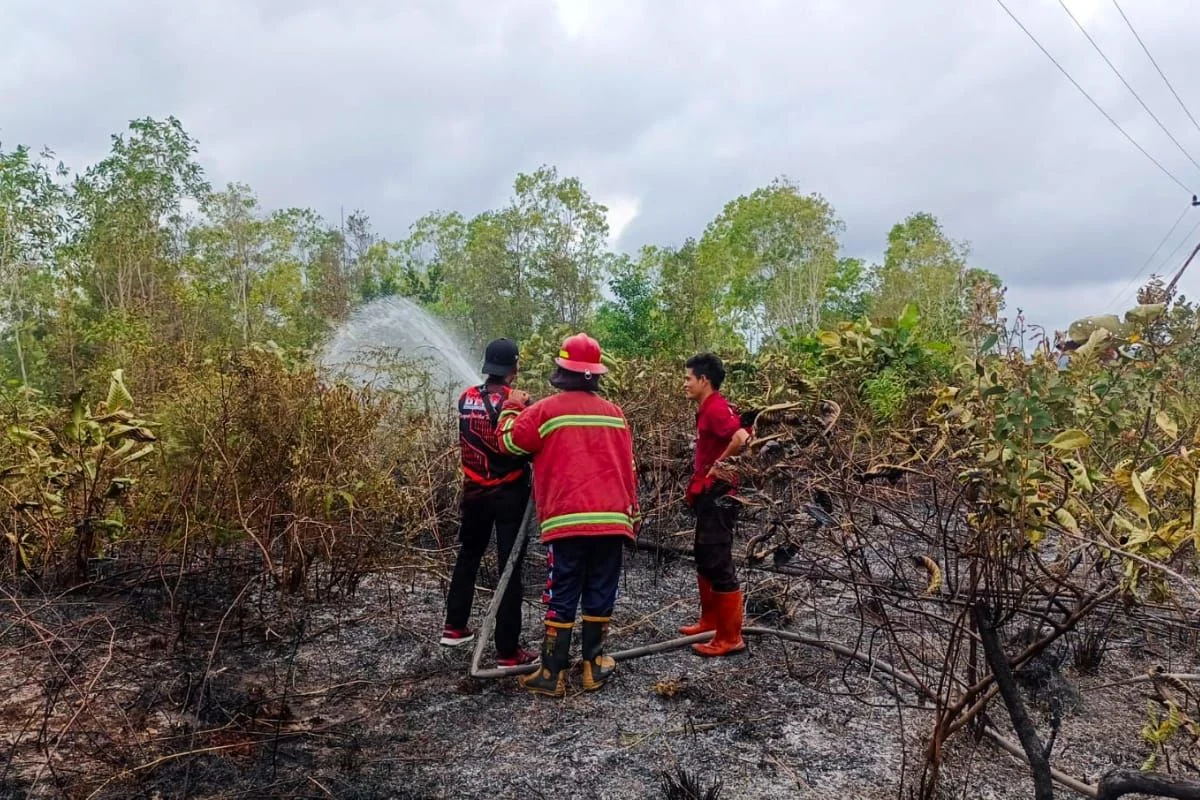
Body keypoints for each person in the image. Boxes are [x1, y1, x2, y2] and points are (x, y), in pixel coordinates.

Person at [496, 332, 640, 697]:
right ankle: (593, 667)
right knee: (600, 590)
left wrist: (512, 406)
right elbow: (628, 468)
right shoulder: (615, 414)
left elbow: (509, 442)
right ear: (596, 374)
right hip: (612, 519)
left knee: (563, 592)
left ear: (561, 370)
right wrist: (632, 516)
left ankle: (552, 672)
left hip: (568, 522)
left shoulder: (546, 410)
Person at [440, 338, 538, 667]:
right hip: (509, 493)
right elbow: (520, 443)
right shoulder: (515, 401)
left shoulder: (466, 398)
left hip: (474, 491)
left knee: (468, 555)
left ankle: (454, 626)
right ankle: (508, 651)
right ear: (514, 367)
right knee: (508, 568)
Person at [678, 352, 751, 657]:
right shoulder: (708, 407)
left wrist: (718, 464)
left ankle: (730, 637)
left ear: (703, 380)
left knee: (718, 560)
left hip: (721, 493)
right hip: (709, 491)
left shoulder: (717, 408)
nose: (684, 383)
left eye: (688, 378)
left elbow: (742, 437)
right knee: (704, 554)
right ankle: (710, 621)